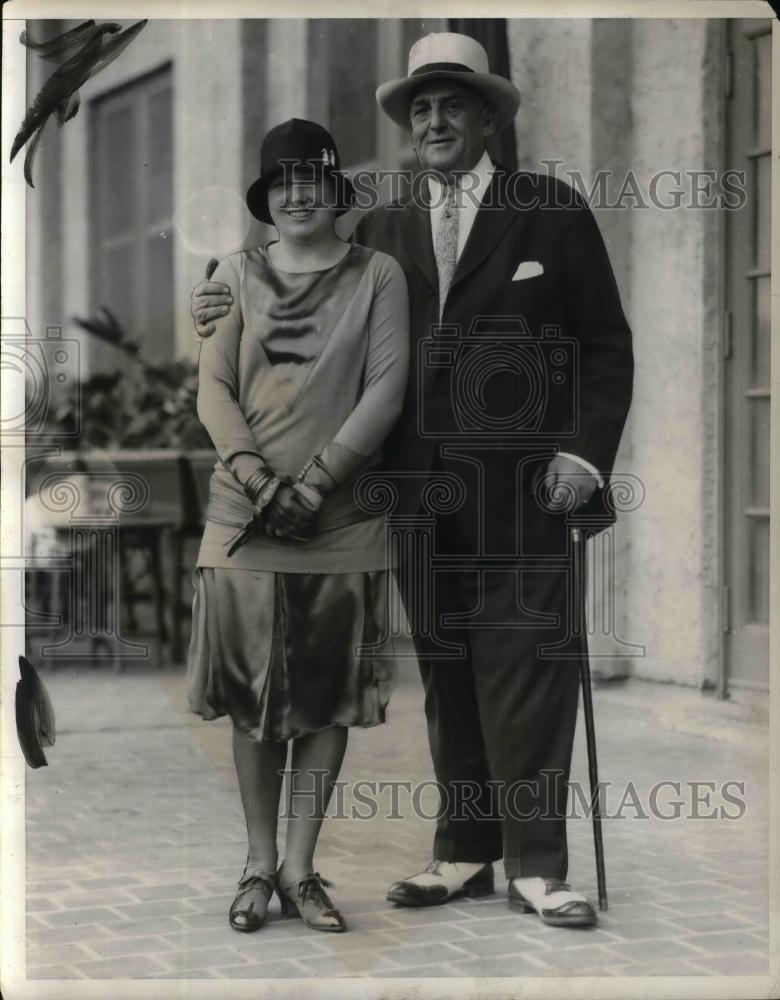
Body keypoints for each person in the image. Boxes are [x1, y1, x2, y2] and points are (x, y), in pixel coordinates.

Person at [191, 33, 633, 930]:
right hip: (414, 493)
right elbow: (293, 273)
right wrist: (214, 296)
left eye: (452, 106)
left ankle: (538, 866)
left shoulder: (548, 210)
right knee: (449, 669)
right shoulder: (382, 229)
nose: (434, 122)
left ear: (488, 117)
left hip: (525, 488)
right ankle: (465, 850)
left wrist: (582, 456)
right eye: (420, 110)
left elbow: (604, 346)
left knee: (528, 665)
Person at [187, 117, 409, 935]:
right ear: (265, 197)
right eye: (281, 182)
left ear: (336, 188)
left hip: (341, 515)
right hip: (246, 517)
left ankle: (299, 867)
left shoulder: (378, 273)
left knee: (323, 701)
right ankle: (253, 863)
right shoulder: (233, 276)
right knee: (252, 697)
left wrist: (314, 484)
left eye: (311, 178)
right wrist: (256, 478)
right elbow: (213, 390)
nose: (297, 194)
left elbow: (386, 389)